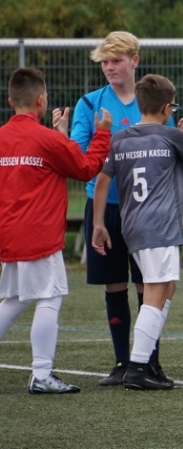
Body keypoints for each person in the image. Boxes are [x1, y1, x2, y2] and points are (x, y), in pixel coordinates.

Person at [93, 74, 183, 390]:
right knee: (154, 291)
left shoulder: (121, 138)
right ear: (167, 108)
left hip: (132, 224)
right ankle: (138, 367)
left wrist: (98, 223)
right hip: (159, 225)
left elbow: (102, 180)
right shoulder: (170, 135)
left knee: (166, 288)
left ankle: (145, 362)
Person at [0, 68, 111, 394]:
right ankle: (42, 374)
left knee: (13, 299)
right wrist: (103, 134)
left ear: (10, 101)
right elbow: (85, 167)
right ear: (41, 100)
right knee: (49, 298)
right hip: (39, 234)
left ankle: (42, 374)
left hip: (8, 232)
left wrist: (62, 136)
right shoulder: (47, 139)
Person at [71, 31, 172, 386]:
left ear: (134, 61)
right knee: (114, 284)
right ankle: (120, 363)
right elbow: (80, 156)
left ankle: (149, 362)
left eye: (116, 60)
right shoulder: (90, 103)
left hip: (147, 209)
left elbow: (168, 148)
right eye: (105, 61)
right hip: (106, 207)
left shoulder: (154, 102)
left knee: (149, 285)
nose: (109, 67)